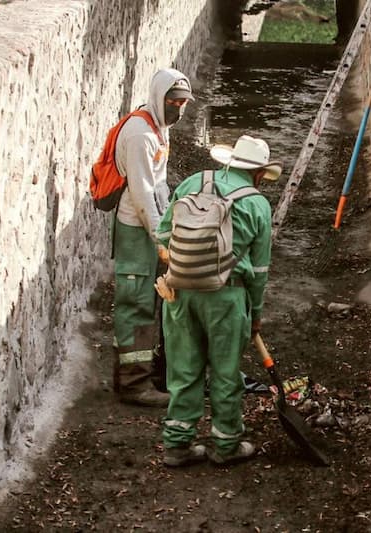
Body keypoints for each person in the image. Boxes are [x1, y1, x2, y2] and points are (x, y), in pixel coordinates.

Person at [155, 135, 281, 466]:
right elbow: (260, 270)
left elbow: (164, 233)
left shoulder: (194, 182)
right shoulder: (257, 204)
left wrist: (186, 268)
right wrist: (255, 314)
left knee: (184, 369)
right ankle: (226, 445)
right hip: (227, 297)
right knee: (225, 373)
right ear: (258, 174)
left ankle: (177, 445)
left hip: (179, 291)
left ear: (230, 161)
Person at [112, 68, 194, 407]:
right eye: (174, 102)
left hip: (152, 227)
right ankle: (133, 384)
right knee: (136, 302)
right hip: (137, 229)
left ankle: (146, 371)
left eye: (184, 103)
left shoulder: (158, 128)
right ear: (159, 98)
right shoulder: (140, 136)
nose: (179, 108)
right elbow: (143, 194)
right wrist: (160, 240)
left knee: (150, 298)